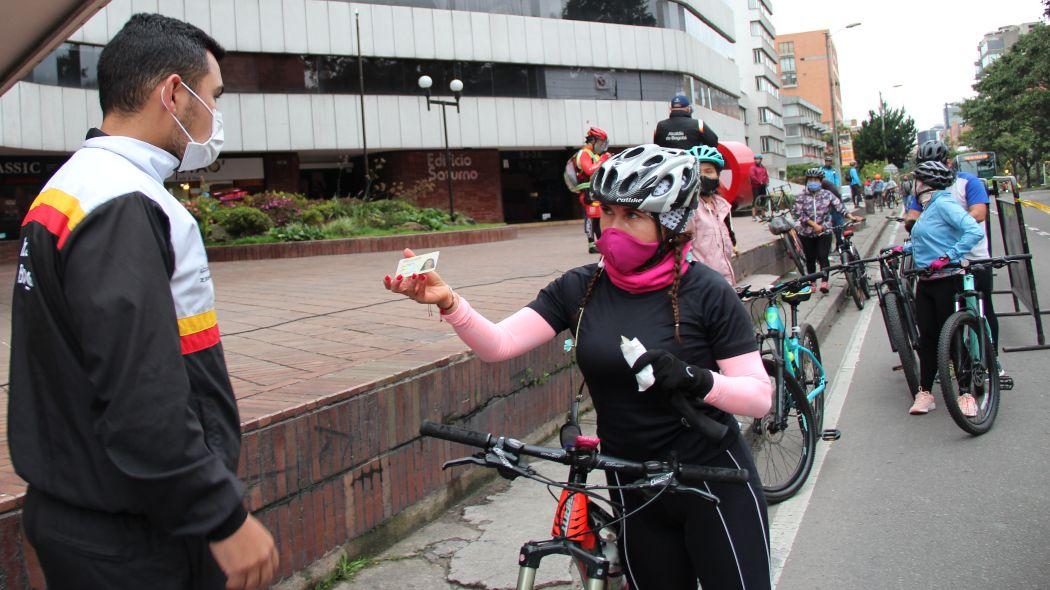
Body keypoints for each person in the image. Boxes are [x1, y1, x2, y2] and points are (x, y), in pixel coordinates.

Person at [384, 144, 773, 589]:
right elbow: (499, 344)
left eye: (632, 216)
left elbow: (759, 398)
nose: (613, 227)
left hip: (711, 485)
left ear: (668, 223)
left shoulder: (707, 292)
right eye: (606, 212)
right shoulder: (580, 288)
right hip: (631, 486)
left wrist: (698, 379)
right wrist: (450, 302)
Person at [9, 14, 278, 590]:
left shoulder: (73, 188)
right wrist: (221, 514)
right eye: (213, 96)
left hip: (83, 511)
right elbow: (143, 388)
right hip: (133, 538)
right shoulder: (125, 202)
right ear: (174, 94)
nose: (216, 116)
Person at [904, 139, 1008, 386]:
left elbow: (979, 213)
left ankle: (991, 357)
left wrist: (949, 227)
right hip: (944, 264)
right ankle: (954, 361)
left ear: (947, 163)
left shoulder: (967, 182)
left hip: (973, 256)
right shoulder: (924, 191)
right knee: (946, 317)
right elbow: (913, 217)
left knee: (983, 309)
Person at [895, 161, 985, 415]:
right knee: (928, 340)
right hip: (926, 282)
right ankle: (925, 393)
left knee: (953, 336)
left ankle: (966, 393)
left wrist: (948, 256)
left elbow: (972, 231)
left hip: (948, 280)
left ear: (923, 183)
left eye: (915, 180)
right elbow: (930, 239)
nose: (912, 185)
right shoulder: (929, 208)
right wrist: (904, 249)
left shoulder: (944, 204)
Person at [792, 168, 863, 293]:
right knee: (810, 258)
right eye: (810, 180)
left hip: (825, 231)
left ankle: (824, 282)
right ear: (807, 181)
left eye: (815, 180)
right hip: (806, 233)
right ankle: (812, 282)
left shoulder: (827, 194)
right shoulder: (800, 196)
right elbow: (798, 214)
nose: (813, 182)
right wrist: (814, 225)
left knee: (823, 255)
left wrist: (851, 216)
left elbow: (839, 207)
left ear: (820, 181)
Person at [687, 146, 737, 285]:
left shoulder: (721, 206)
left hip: (726, 283)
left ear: (717, 175)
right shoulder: (689, 209)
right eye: (697, 172)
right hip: (703, 286)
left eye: (709, 171)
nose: (703, 176)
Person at [569, 126, 611, 253]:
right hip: (587, 192)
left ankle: (599, 243)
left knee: (597, 217)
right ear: (593, 141)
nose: (601, 146)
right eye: (600, 143)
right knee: (591, 217)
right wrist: (603, 159)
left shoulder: (594, 155)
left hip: (594, 191)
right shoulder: (584, 153)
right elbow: (589, 170)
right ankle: (592, 244)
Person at [653, 94, 719, 150]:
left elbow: (657, 146)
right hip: (692, 162)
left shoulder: (660, 125)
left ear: (670, 109)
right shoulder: (699, 124)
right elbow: (713, 142)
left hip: (669, 163)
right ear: (688, 108)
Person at [750, 153, 770, 221]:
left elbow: (766, 175)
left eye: (757, 159)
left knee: (764, 200)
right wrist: (759, 181)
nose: (756, 160)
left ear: (761, 160)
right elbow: (752, 177)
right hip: (756, 186)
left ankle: (763, 215)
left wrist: (767, 181)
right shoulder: (753, 168)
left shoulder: (763, 167)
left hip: (763, 186)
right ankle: (753, 216)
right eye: (755, 159)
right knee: (756, 200)